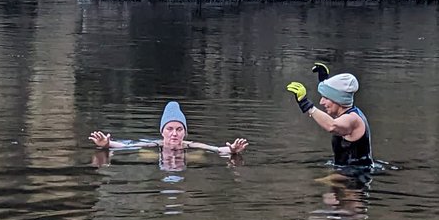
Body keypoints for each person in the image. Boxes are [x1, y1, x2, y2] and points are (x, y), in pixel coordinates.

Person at [89, 101, 248, 159]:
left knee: (198, 156)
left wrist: (232, 150)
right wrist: (107, 144)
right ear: (162, 131)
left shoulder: (190, 145)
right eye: (170, 129)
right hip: (158, 155)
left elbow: (216, 149)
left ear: (184, 132)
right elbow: (127, 146)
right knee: (145, 154)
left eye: (179, 129)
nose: (174, 134)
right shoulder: (154, 145)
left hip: (185, 156)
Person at [287, 64, 373, 170]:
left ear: (339, 100)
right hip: (345, 171)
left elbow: (332, 126)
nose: (321, 102)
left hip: (357, 175)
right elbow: (337, 93)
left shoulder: (353, 119)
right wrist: (325, 81)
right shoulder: (347, 113)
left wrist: (306, 105)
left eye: (326, 98)